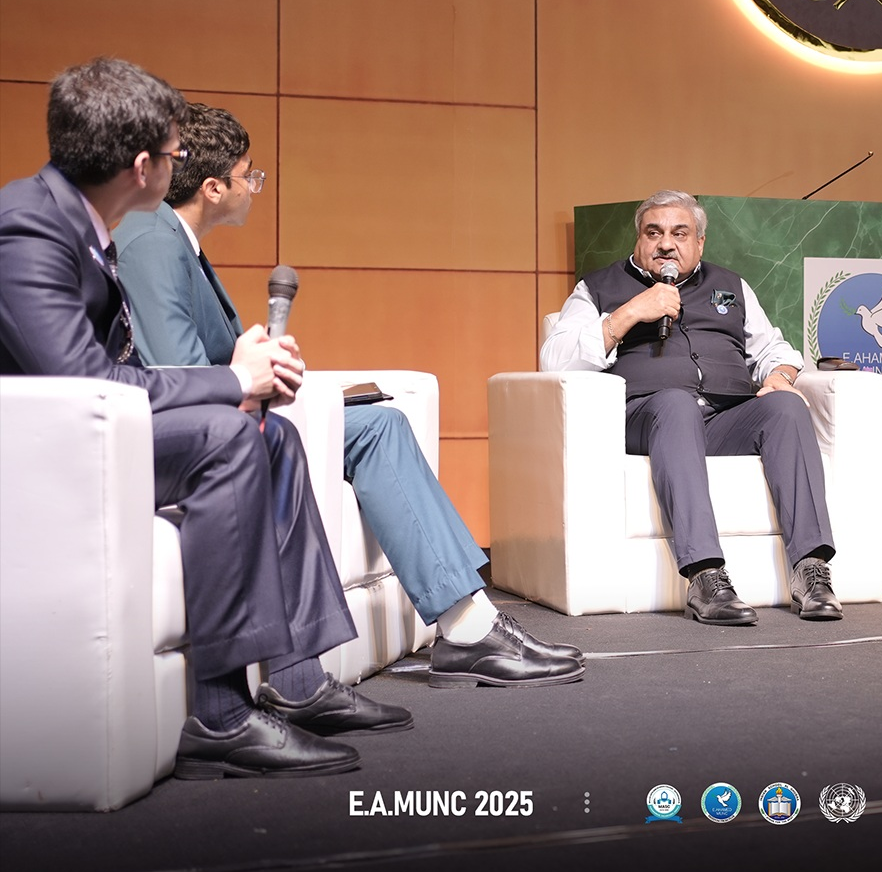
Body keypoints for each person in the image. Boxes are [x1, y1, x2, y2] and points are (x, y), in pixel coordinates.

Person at [0, 58, 400, 778]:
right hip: (44, 451)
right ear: (143, 167)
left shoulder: (80, 218)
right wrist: (231, 381)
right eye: (175, 153)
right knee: (227, 436)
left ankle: (298, 678)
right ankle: (221, 716)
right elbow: (82, 381)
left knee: (272, 435)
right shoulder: (28, 227)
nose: (179, 164)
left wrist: (240, 375)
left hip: (93, 431)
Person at [111, 104, 585, 687]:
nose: (254, 186)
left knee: (378, 420)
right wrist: (253, 372)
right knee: (379, 428)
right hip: (195, 433)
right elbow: (178, 368)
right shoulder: (152, 239)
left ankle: (471, 622)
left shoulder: (175, 239)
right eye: (247, 175)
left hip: (227, 415)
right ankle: (468, 629)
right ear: (213, 188)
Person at [541, 190, 841, 625]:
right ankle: (705, 578)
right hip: (646, 417)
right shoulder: (597, 288)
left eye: (679, 234)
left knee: (786, 409)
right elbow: (554, 360)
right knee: (676, 404)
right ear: (639, 239)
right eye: (654, 233)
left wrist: (780, 376)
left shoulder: (732, 286)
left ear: (699, 243)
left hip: (722, 418)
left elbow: (775, 350)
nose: (666, 244)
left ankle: (811, 571)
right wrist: (630, 313)